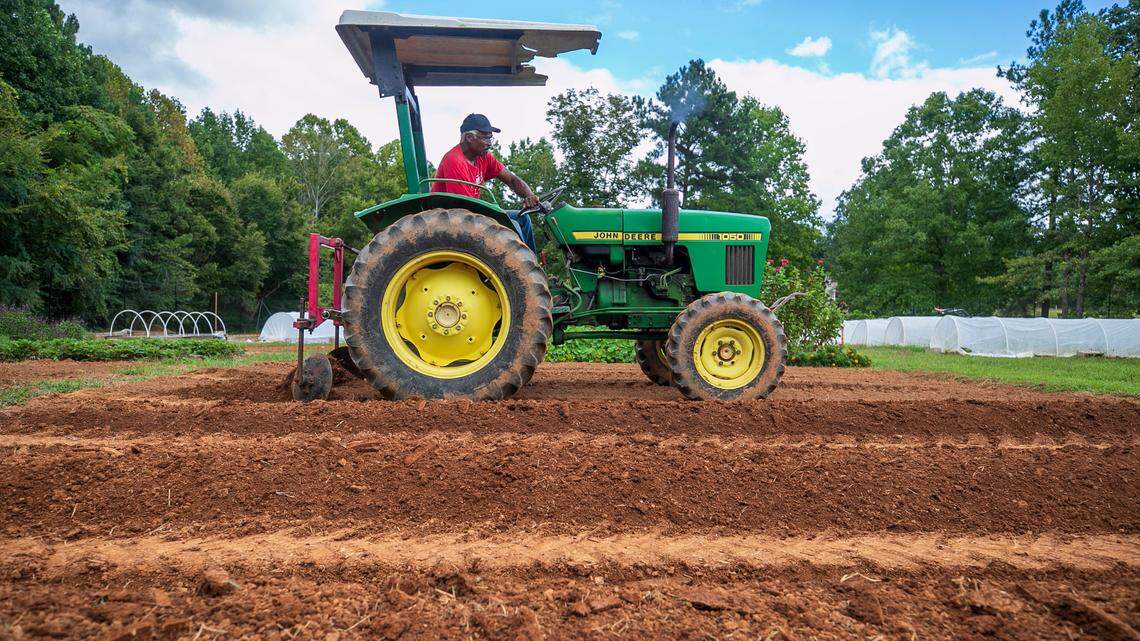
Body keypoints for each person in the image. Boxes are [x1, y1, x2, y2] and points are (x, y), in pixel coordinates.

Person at [431, 114, 540, 252]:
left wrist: (529, 195)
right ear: (469, 138)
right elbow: (466, 210)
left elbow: (512, 180)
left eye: (490, 138)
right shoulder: (454, 161)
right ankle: (521, 269)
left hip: (472, 213)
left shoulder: (483, 157)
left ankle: (531, 266)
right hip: (451, 220)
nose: (490, 143)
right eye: (485, 138)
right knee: (512, 224)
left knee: (523, 220)